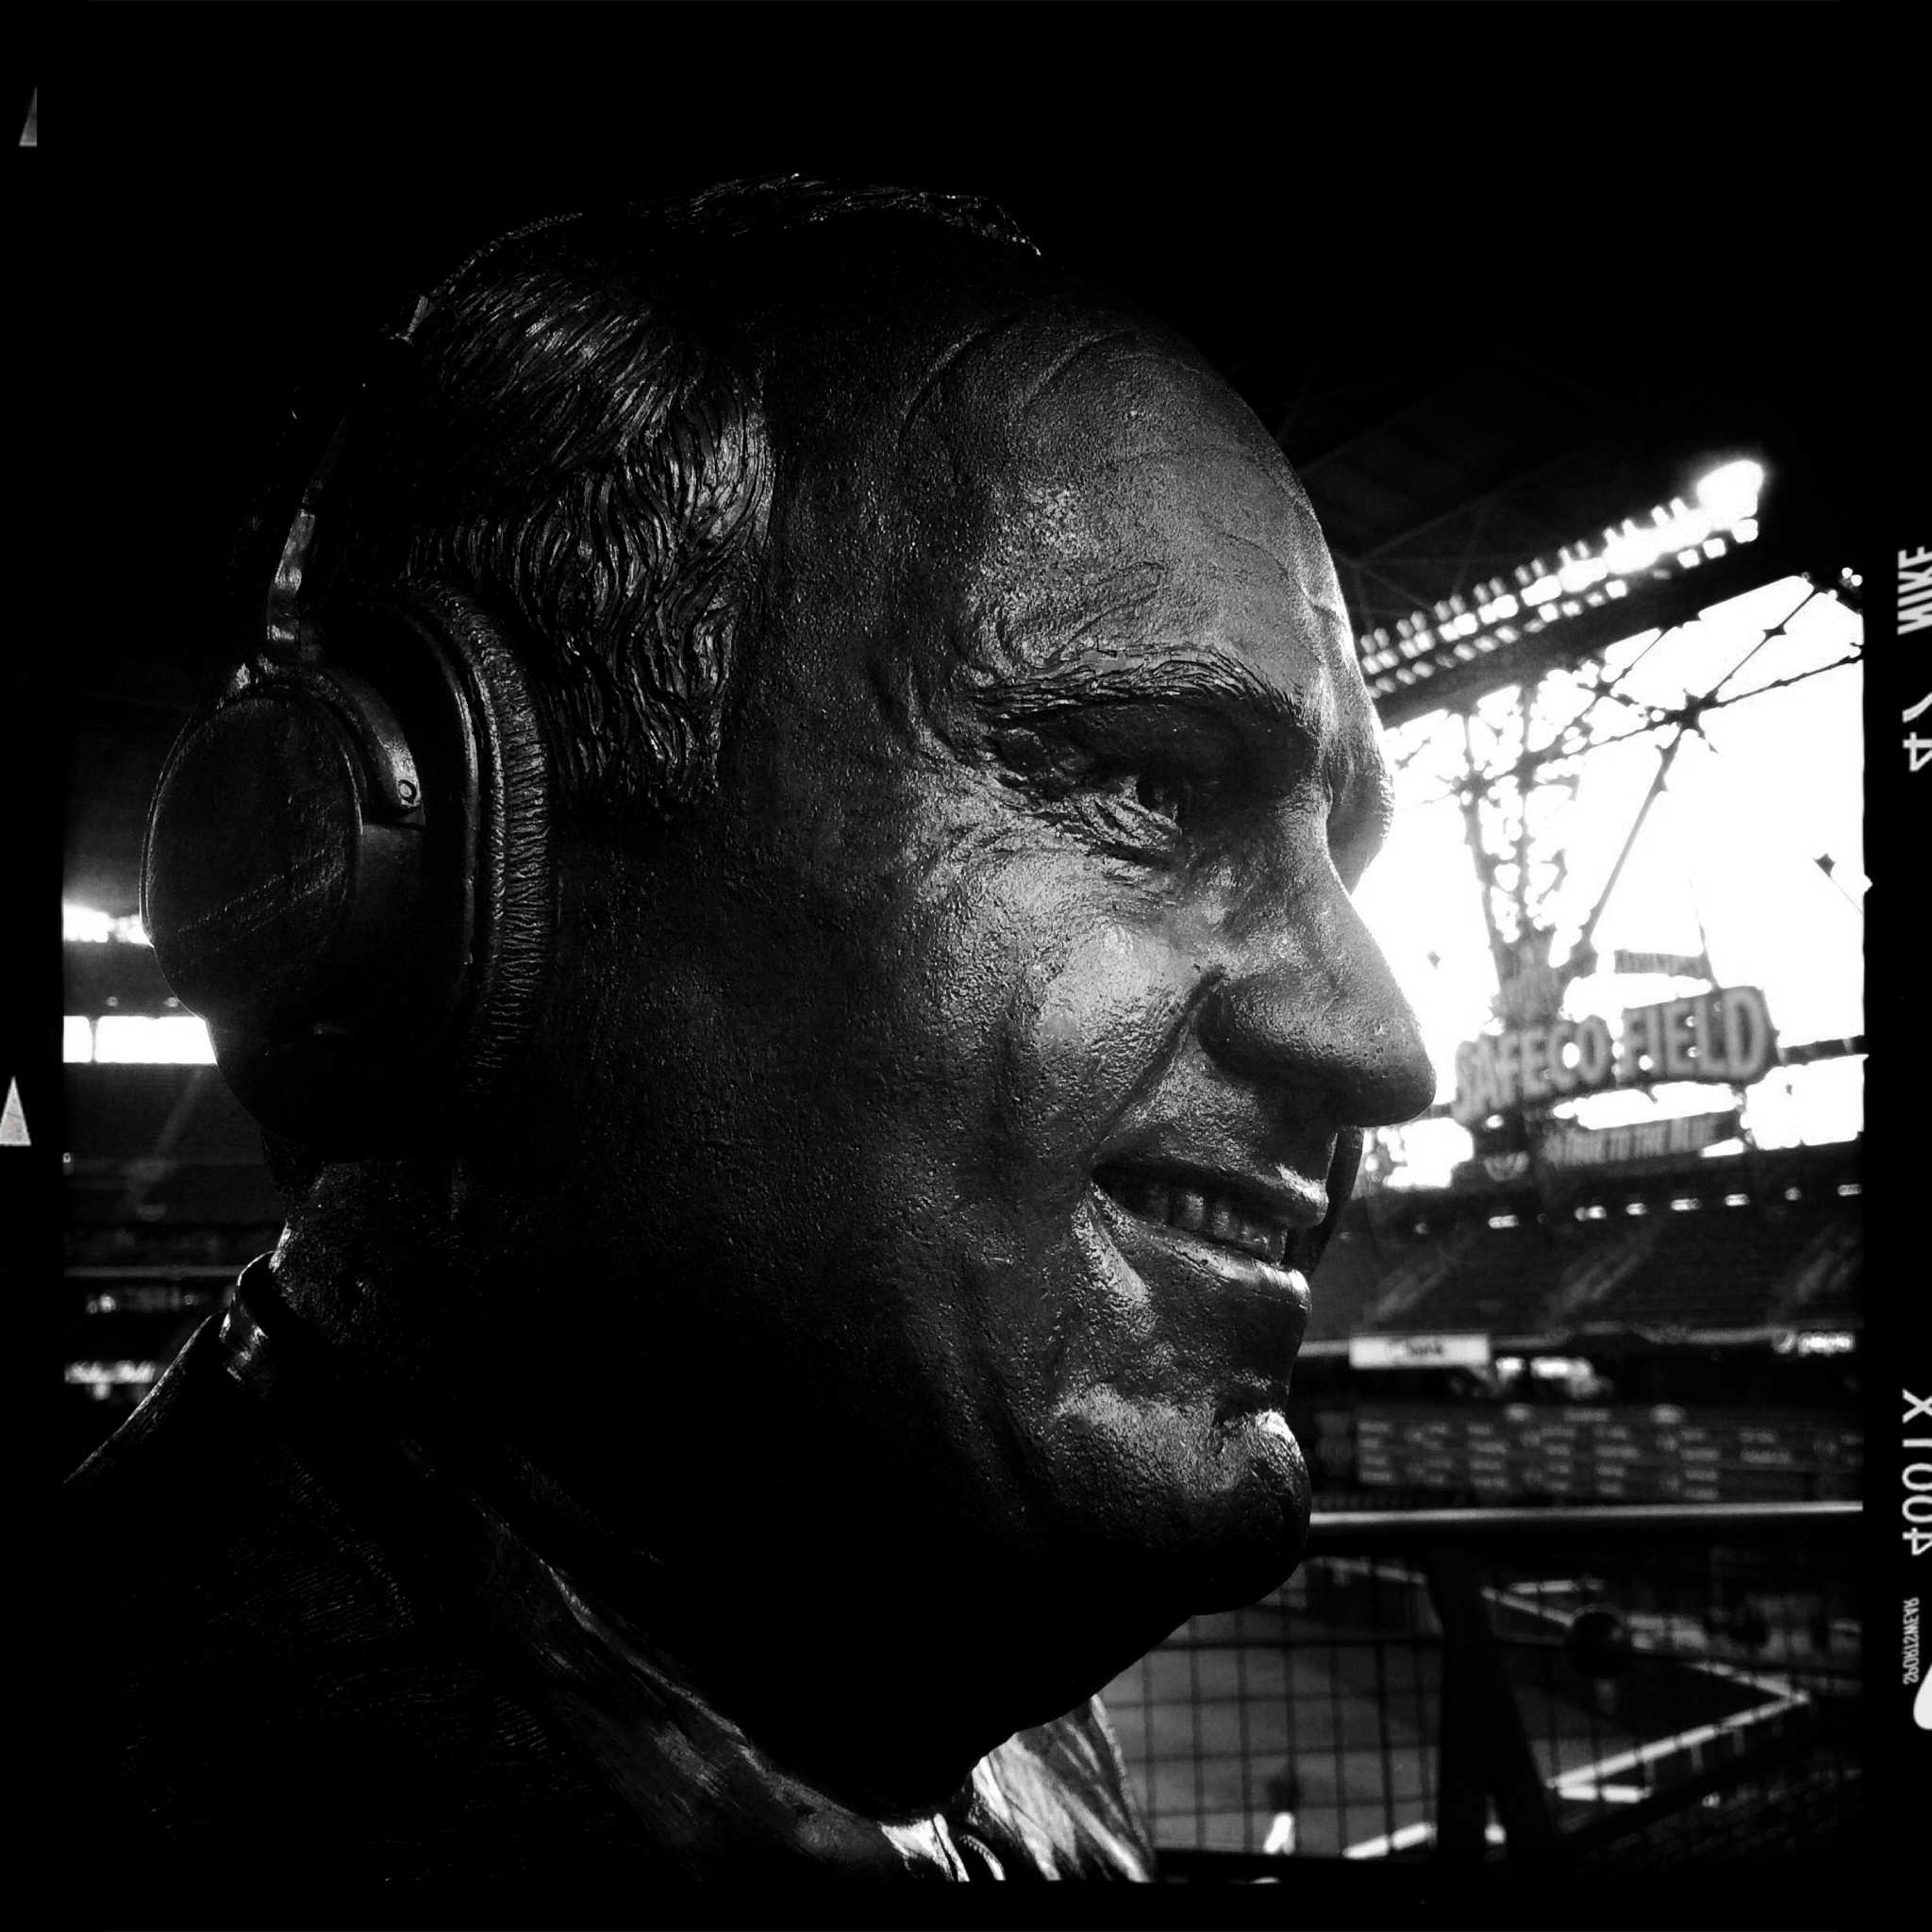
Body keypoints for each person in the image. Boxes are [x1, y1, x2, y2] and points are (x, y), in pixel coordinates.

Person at [61, 178, 1434, 1901]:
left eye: (1346, 858)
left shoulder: (959, 1721)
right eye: (1147, 784)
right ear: (450, 878)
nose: (1385, 1042)